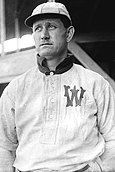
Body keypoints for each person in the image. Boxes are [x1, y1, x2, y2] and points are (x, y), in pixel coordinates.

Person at [0, 1, 115, 172]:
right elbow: (5, 146)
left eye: (51, 26)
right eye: (38, 28)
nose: (44, 35)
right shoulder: (16, 88)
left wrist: (102, 169)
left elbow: (113, 138)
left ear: (68, 34)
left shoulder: (95, 83)